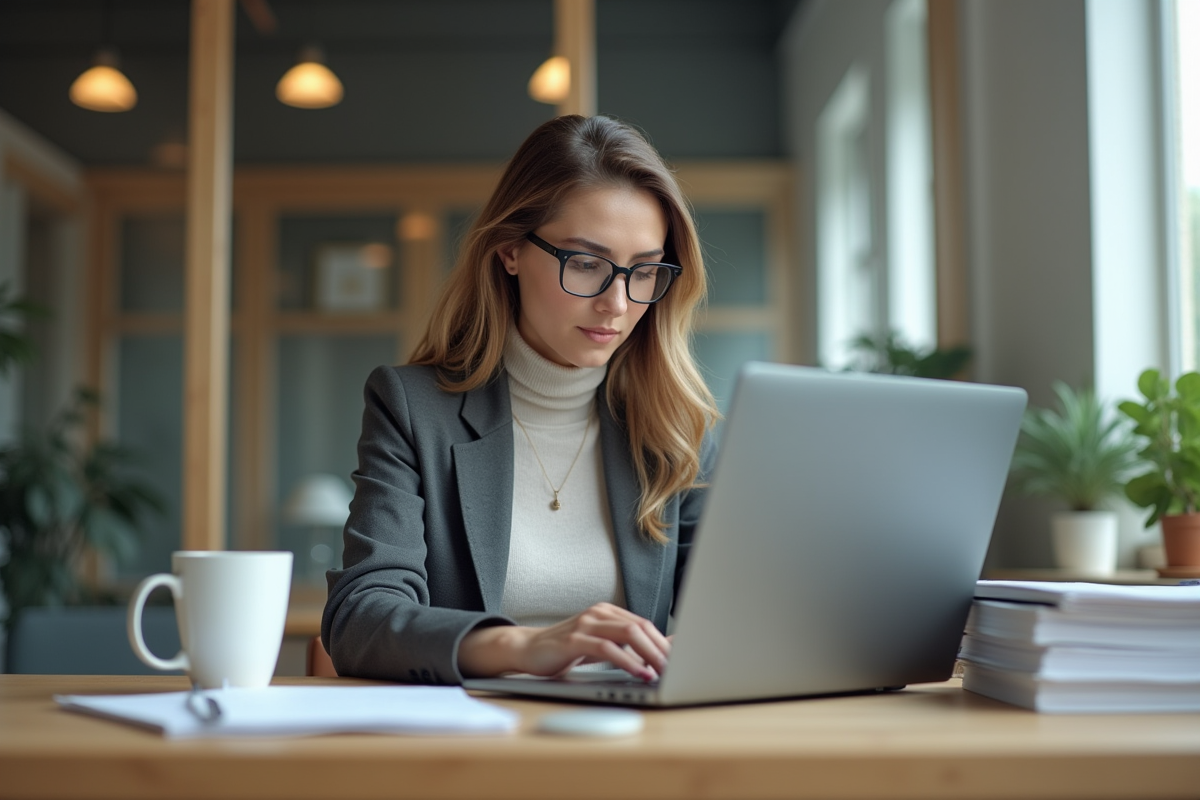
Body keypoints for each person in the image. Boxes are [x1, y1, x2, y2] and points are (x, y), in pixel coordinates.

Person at [321, 114, 719, 685]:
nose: (617, 304)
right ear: (511, 250)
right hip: (473, 730)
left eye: (644, 271)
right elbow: (360, 618)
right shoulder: (412, 408)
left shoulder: (677, 428)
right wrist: (522, 646)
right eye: (586, 264)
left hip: (628, 731)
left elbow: (739, 611)